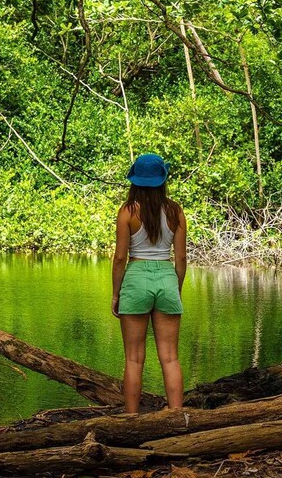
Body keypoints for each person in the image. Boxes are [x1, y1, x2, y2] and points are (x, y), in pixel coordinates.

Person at [112, 153, 187, 413]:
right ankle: (178, 416)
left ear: (135, 181)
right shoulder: (176, 211)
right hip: (166, 277)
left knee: (134, 359)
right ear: (162, 181)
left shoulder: (127, 211)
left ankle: (132, 420)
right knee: (170, 357)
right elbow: (181, 257)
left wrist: (115, 294)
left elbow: (120, 257)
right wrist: (175, 288)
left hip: (136, 278)